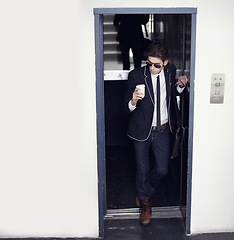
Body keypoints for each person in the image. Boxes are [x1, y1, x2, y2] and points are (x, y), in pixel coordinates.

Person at [123, 43, 188, 225]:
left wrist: (181, 87)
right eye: (149, 63)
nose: (152, 68)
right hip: (141, 130)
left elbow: (173, 92)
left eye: (156, 65)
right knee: (142, 169)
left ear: (165, 63)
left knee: (162, 169)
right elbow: (124, 106)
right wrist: (133, 101)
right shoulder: (136, 75)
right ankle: (145, 204)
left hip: (163, 129)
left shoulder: (170, 71)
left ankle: (144, 192)